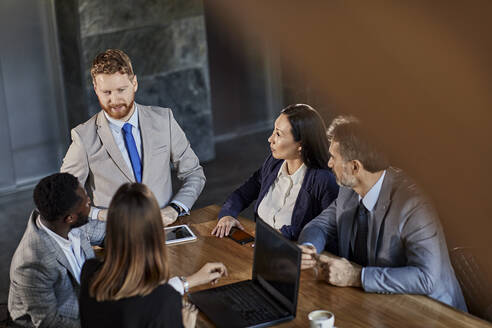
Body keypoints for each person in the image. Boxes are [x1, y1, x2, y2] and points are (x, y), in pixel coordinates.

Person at [298, 117, 467, 311]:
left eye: (333, 158)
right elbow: (319, 225)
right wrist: (309, 248)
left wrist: (355, 277)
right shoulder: (348, 189)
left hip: (432, 312)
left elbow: (426, 278)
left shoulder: (413, 205)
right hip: (375, 302)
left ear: (355, 167)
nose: (328, 164)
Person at [61, 49, 205, 226]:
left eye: (121, 90)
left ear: (134, 83)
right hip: (115, 236)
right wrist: (100, 215)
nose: (114, 100)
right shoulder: (83, 137)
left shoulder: (164, 120)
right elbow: (66, 196)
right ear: (96, 88)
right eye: (106, 92)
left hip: (164, 230)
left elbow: (194, 173)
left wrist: (175, 208)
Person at [79, 183, 227, 328]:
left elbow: (137, 299)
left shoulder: (90, 271)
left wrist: (188, 281)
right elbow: (151, 299)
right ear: (157, 232)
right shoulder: (165, 303)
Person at [212, 104, 339, 240]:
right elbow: (243, 193)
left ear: (300, 144)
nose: (270, 139)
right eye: (273, 131)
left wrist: (284, 234)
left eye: (278, 134)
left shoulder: (324, 181)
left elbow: (328, 230)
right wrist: (227, 214)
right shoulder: (273, 163)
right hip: (259, 249)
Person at [8, 173, 105, 327]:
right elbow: (50, 323)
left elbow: (107, 232)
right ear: (70, 218)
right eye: (86, 204)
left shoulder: (65, 221)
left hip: (87, 301)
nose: (89, 201)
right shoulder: (32, 264)